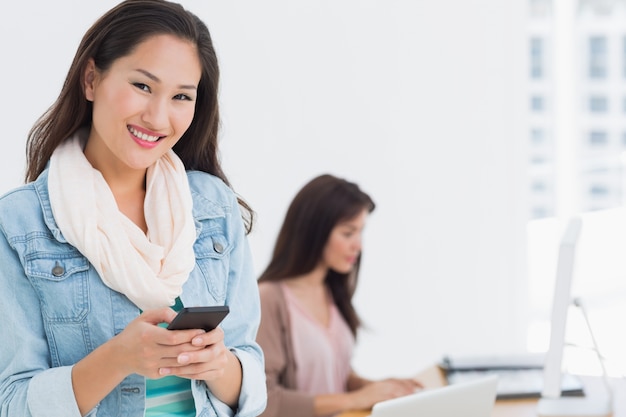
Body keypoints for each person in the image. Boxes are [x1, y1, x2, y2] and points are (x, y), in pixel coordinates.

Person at [0, 1, 266, 416]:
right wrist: (118, 358)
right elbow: (12, 403)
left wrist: (218, 365)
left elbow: (249, 376)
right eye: (143, 86)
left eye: (181, 96)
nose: (158, 117)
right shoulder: (18, 223)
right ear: (91, 79)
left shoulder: (214, 207)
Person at [256, 174, 422, 417]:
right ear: (314, 233)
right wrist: (356, 398)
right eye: (348, 233)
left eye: (360, 232)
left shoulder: (331, 291)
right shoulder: (269, 299)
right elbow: (266, 401)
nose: (359, 246)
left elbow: (332, 373)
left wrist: (377, 388)